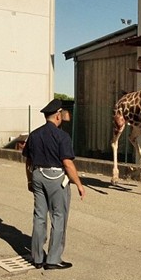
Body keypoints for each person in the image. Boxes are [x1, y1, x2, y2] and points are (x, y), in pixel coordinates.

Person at [22, 99, 86, 270]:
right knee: (58, 216)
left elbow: (28, 161)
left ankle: (37, 257)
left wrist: (29, 179)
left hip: (36, 175)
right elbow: (68, 163)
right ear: (58, 115)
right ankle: (53, 259)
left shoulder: (34, 134)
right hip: (55, 178)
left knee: (39, 216)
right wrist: (79, 184)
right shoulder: (62, 136)